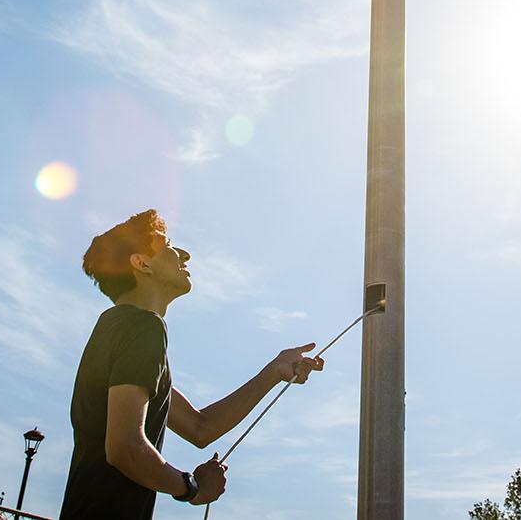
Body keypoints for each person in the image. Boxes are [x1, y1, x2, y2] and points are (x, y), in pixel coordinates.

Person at [58, 209, 323, 519]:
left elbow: (200, 428)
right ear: (141, 263)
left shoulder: (118, 328)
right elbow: (124, 447)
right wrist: (191, 487)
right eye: (168, 244)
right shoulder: (143, 327)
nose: (184, 254)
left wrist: (274, 372)